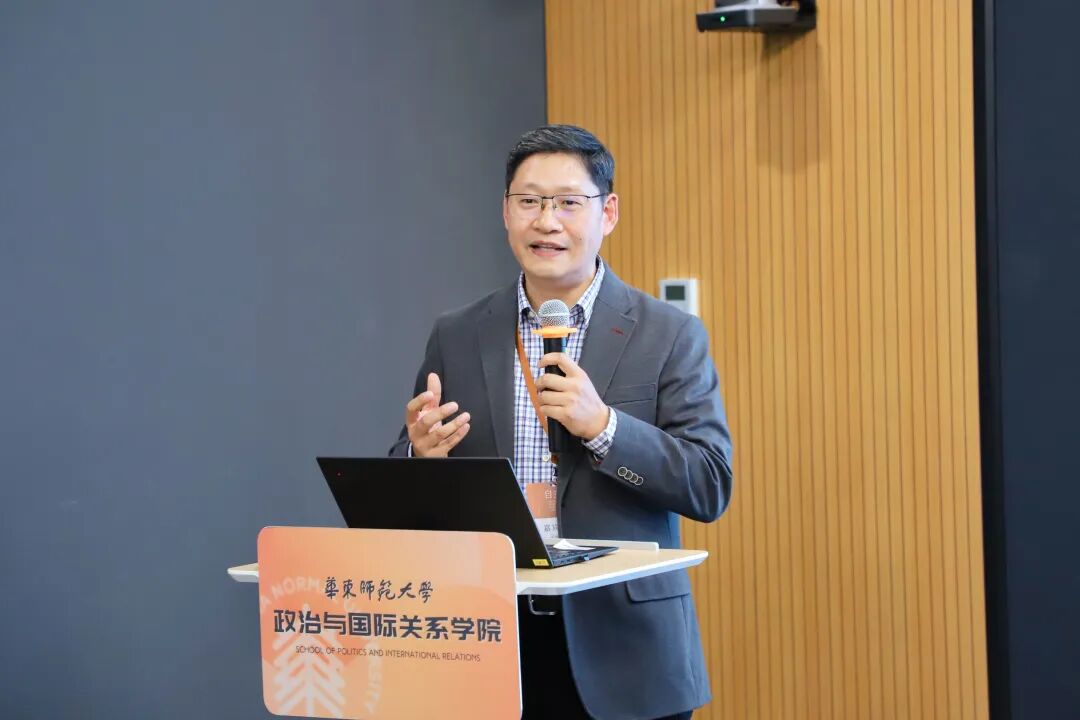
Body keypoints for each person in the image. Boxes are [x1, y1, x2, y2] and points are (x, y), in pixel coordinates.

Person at [390, 124, 733, 720]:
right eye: (529, 201)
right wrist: (422, 457)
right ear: (506, 212)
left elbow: (708, 484)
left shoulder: (669, 334)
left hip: (625, 650)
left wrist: (603, 426)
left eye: (569, 203)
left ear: (608, 212)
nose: (547, 221)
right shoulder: (459, 333)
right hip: (490, 643)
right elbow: (403, 479)